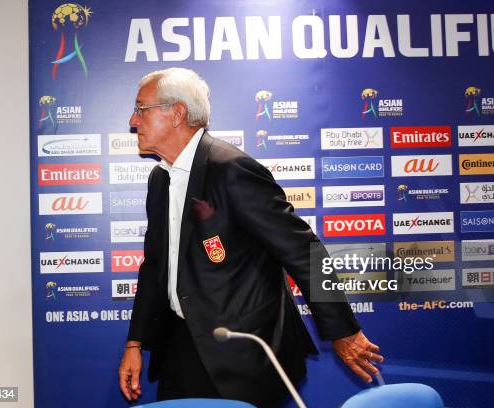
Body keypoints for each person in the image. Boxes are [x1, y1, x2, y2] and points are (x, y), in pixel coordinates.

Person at [118, 67, 383, 407]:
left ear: (177, 113)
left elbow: (304, 250)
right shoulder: (160, 180)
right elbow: (155, 266)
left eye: (141, 109)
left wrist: (344, 331)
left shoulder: (231, 170)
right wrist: (135, 343)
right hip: (181, 350)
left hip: (244, 354)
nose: (133, 120)